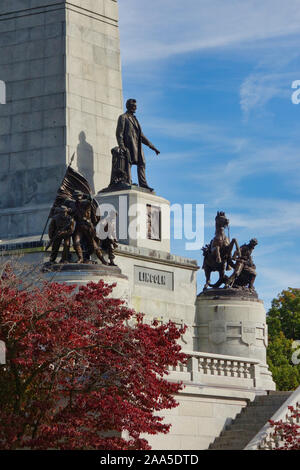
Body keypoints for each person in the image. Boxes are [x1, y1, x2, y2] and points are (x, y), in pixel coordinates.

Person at [116, 98, 160, 191]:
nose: (135, 108)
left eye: (136, 106)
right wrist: (122, 146)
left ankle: (143, 184)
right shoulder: (123, 117)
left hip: (138, 147)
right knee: (128, 164)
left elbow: (141, 136)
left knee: (142, 163)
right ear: (129, 106)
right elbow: (119, 133)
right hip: (129, 145)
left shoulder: (135, 119)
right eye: (133, 106)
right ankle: (128, 181)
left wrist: (152, 147)